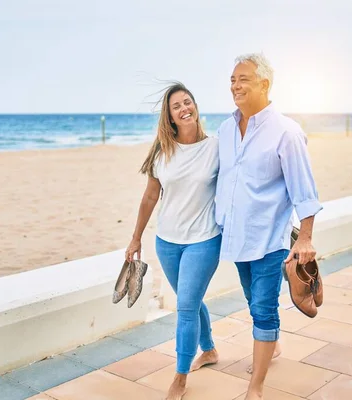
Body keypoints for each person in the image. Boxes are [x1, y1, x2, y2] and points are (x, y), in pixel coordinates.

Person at [215, 53, 323, 400]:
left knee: (263, 308)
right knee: (252, 301)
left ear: (264, 84)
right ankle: (272, 346)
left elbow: (304, 190)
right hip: (235, 237)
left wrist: (304, 238)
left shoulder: (287, 132)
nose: (235, 86)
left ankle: (256, 388)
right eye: (232, 79)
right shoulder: (225, 129)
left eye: (243, 79)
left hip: (270, 237)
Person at [125, 82, 221, 400]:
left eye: (187, 101)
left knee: (186, 307)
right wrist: (136, 238)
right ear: (170, 117)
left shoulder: (217, 147)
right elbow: (150, 196)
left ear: (195, 105)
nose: (184, 108)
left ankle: (179, 378)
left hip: (204, 240)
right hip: (166, 242)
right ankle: (208, 349)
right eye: (176, 106)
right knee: (189, 300)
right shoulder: (162, 150)